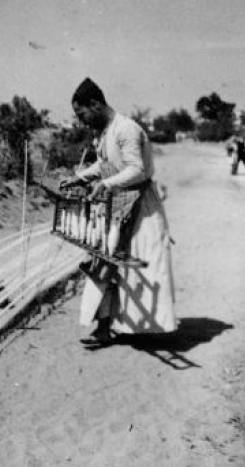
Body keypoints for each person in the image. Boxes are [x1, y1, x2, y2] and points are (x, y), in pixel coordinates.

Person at [60, 77, 177, 346]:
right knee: (104, 264)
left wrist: (106, 184)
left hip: (141, 208)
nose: (82, 121)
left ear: (96, 104)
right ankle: (104, 328)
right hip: (116, 207)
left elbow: (136, 170)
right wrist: (81, 178)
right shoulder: (105, 132)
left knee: (139, 269)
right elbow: (104, 165)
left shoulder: (126, 129)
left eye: (82, 114)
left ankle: (146, 330)